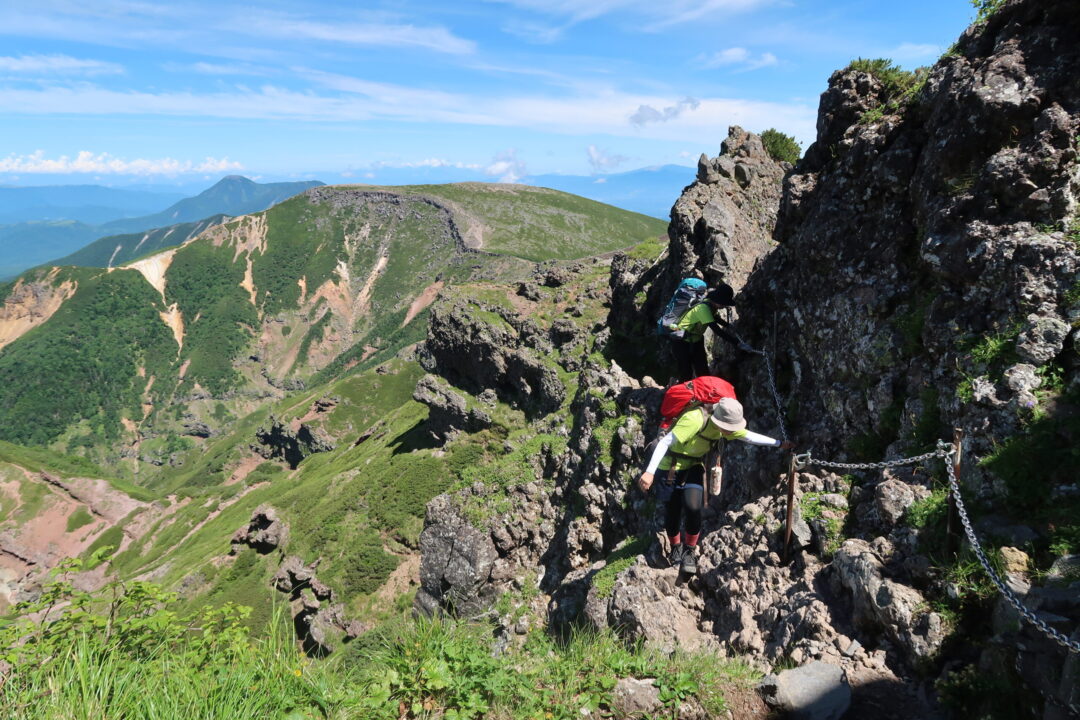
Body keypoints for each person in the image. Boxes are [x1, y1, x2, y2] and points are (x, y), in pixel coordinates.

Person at [637, 397, 793, 574]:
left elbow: (748, 436)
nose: (731, 432)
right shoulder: (695, 420)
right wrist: (650, 472)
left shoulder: (725, 428)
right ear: (718, 420)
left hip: (694, 465)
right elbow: (665, 442)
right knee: (672, 510)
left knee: (693, 507)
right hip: (669, 467)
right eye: (729, 428)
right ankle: (675, 549)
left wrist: (779, 444)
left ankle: (689, 551)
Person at [666, 283, 751, 382]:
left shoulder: (710, 305)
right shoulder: (703, 309)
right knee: (686, 373)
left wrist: (728, 325)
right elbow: (717, 330)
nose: (724, 306)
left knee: (703, 371)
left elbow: (714, 318)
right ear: (717, 300)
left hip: (696, 340)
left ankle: (704, 393)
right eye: (723, 303)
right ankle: (682, 396)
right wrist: (738, 343)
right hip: (682, 341)